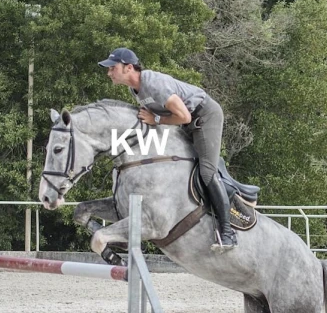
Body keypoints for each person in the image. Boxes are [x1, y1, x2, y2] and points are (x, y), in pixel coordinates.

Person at [99, 47, 237, 251]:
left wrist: (155, 119)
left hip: (204, 117)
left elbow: (184, 116)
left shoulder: (153, 83)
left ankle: (227, 233)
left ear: (129, 68)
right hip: (183, 122)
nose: (109, 72)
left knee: (206, 171)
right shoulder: (135, 89)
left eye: (113, 68)